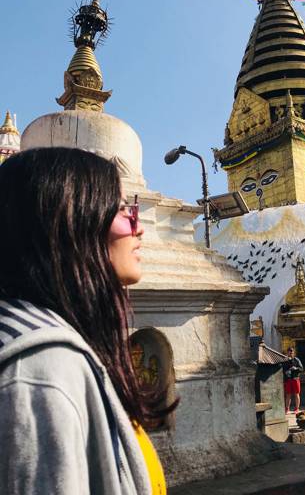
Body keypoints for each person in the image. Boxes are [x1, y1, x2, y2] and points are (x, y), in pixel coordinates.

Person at [0, 147, 174, 494]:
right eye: (124, 210)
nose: (139, 228)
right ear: (73, 222)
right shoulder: (43, 371)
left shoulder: (61, 352)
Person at [282, 347, 303, 414]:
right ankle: (287, 409)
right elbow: (282, 369)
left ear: (293, 353)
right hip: (288, 379)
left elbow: (301, 368)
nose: (290, 353)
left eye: (292, 352)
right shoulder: (285, 360)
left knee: (296, 394)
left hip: (295, 379)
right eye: (289, 352)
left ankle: (297, 409)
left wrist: (296, 368)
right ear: (287, 353)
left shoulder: (296, 360)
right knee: (288, 395)